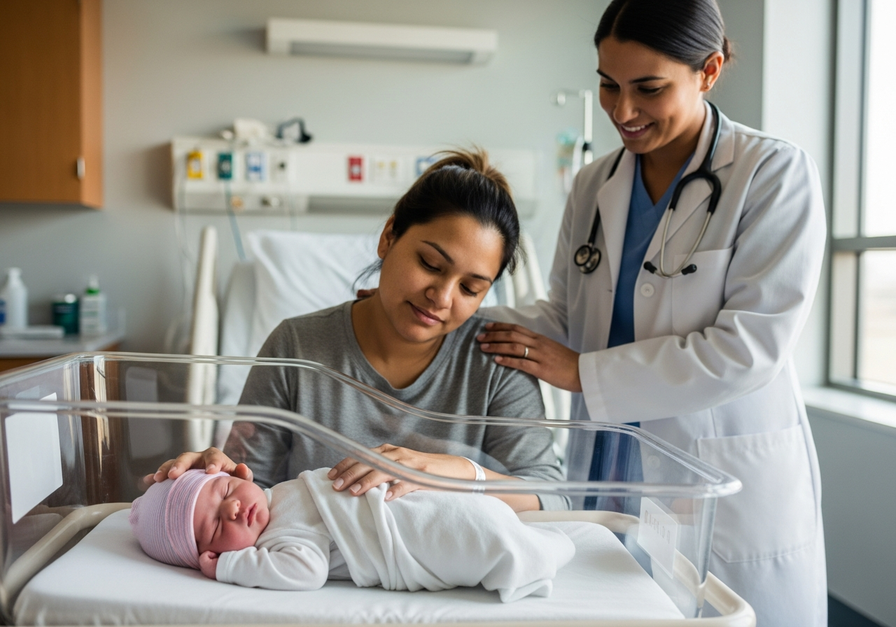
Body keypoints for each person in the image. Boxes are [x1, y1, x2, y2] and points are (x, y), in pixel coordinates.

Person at [475, 1, 826, 624]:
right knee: (611, 605)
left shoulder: (771, 173)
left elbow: (748, 348)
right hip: (612, 457)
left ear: (709, 70)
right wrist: (455, 310)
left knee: (720, 611)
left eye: (649, 89)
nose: (623, 111)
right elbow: (564, 313)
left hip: (713, 460)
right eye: (609, 85)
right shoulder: (593, 183)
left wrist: (583, 373)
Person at [151, 149, 567, 513]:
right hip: (316, 574)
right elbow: (247, 485)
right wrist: (209, 478)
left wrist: (452, 473)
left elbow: (551, 495)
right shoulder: (296, 347)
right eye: (430, 265)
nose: (442, 297)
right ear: (389, 237)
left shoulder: (496, 358)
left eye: (470, 288)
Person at [131, 468, 575, 602]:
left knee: (472, 519)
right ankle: (531, 550)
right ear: (203, 553)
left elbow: (308, 571)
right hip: (404, 541)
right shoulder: (275, 540)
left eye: (226, 489)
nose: (232, 507)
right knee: (473, 536)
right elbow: (306, 569)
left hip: (402, 509)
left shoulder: (282, 496)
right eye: (213, 526)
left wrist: (226, 562)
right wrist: (231, 566)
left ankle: (534, 546)